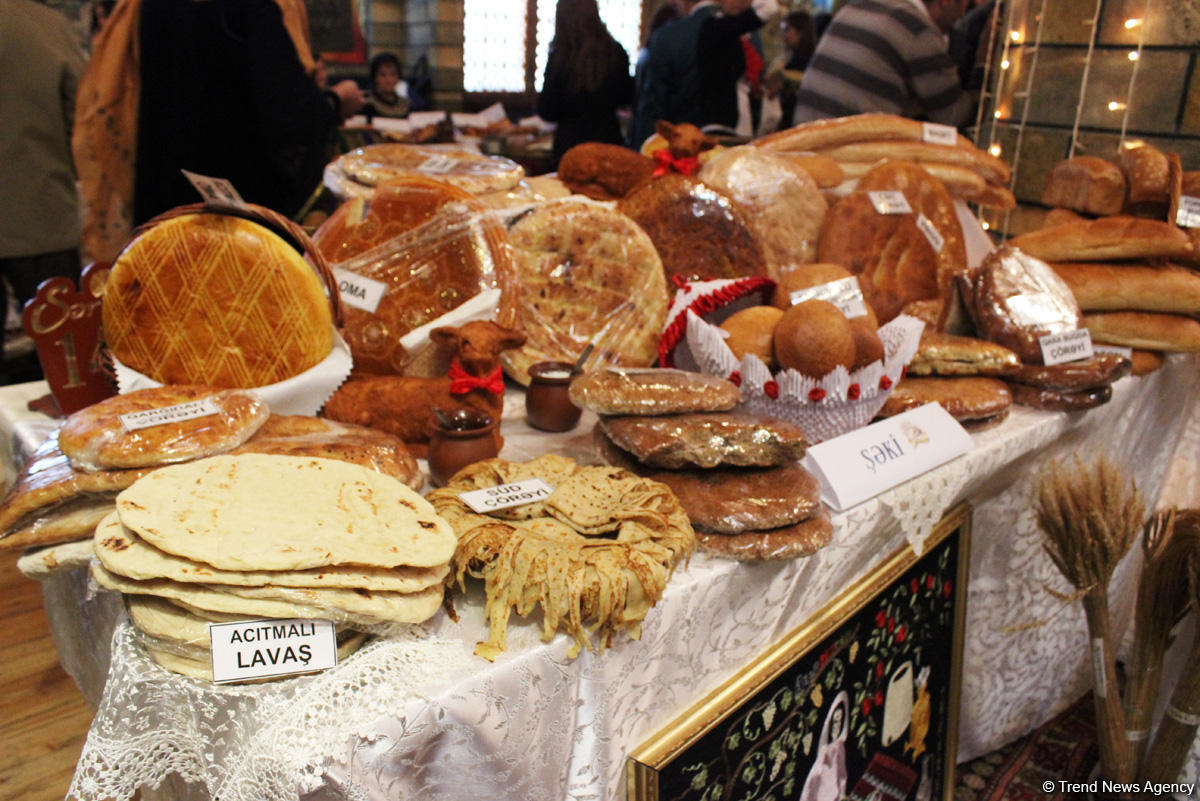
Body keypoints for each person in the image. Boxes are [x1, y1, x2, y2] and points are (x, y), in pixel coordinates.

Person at [73, 0, 364, 263]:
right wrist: (335, 102)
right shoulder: (249, 7)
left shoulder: (145, 7)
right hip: (237, 222)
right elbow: (289, 114)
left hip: (165, 211)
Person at [0, 0, 86, 376]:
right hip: (39, 210)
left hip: (39, 209)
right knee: (61, 362)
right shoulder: (46, 26)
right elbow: (84, 116)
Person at [792, 0, 973, 127]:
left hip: (804, 142)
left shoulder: (857, 5)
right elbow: (955, 116)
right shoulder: (916, 28)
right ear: (947, 1)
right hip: (843, 162)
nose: (964, 13)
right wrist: (980, 64)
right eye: (965, 3)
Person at [537, 0, 633, 168]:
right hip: (608, 143)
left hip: (570, 147)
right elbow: (627, 97)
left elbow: (547, 110)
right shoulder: (616, 51)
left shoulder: (561, 56)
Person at [629, 0, 718, 150]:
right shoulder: (749, 33)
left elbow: (652, 105)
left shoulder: (670, 36)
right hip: (730, 143)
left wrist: (642, 150)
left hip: (677, 148)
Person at [695, 0, 778, 132]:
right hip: (718, 118)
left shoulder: (737, 30)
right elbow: (769, 7)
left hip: (738, 113)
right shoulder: (714, 26)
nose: (738, 2)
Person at [365, 52, 411, 118]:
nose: (388, 80)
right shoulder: (366, 103)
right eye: (383, 75)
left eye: (393, 74)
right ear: (375, 77)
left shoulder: (405, 105)